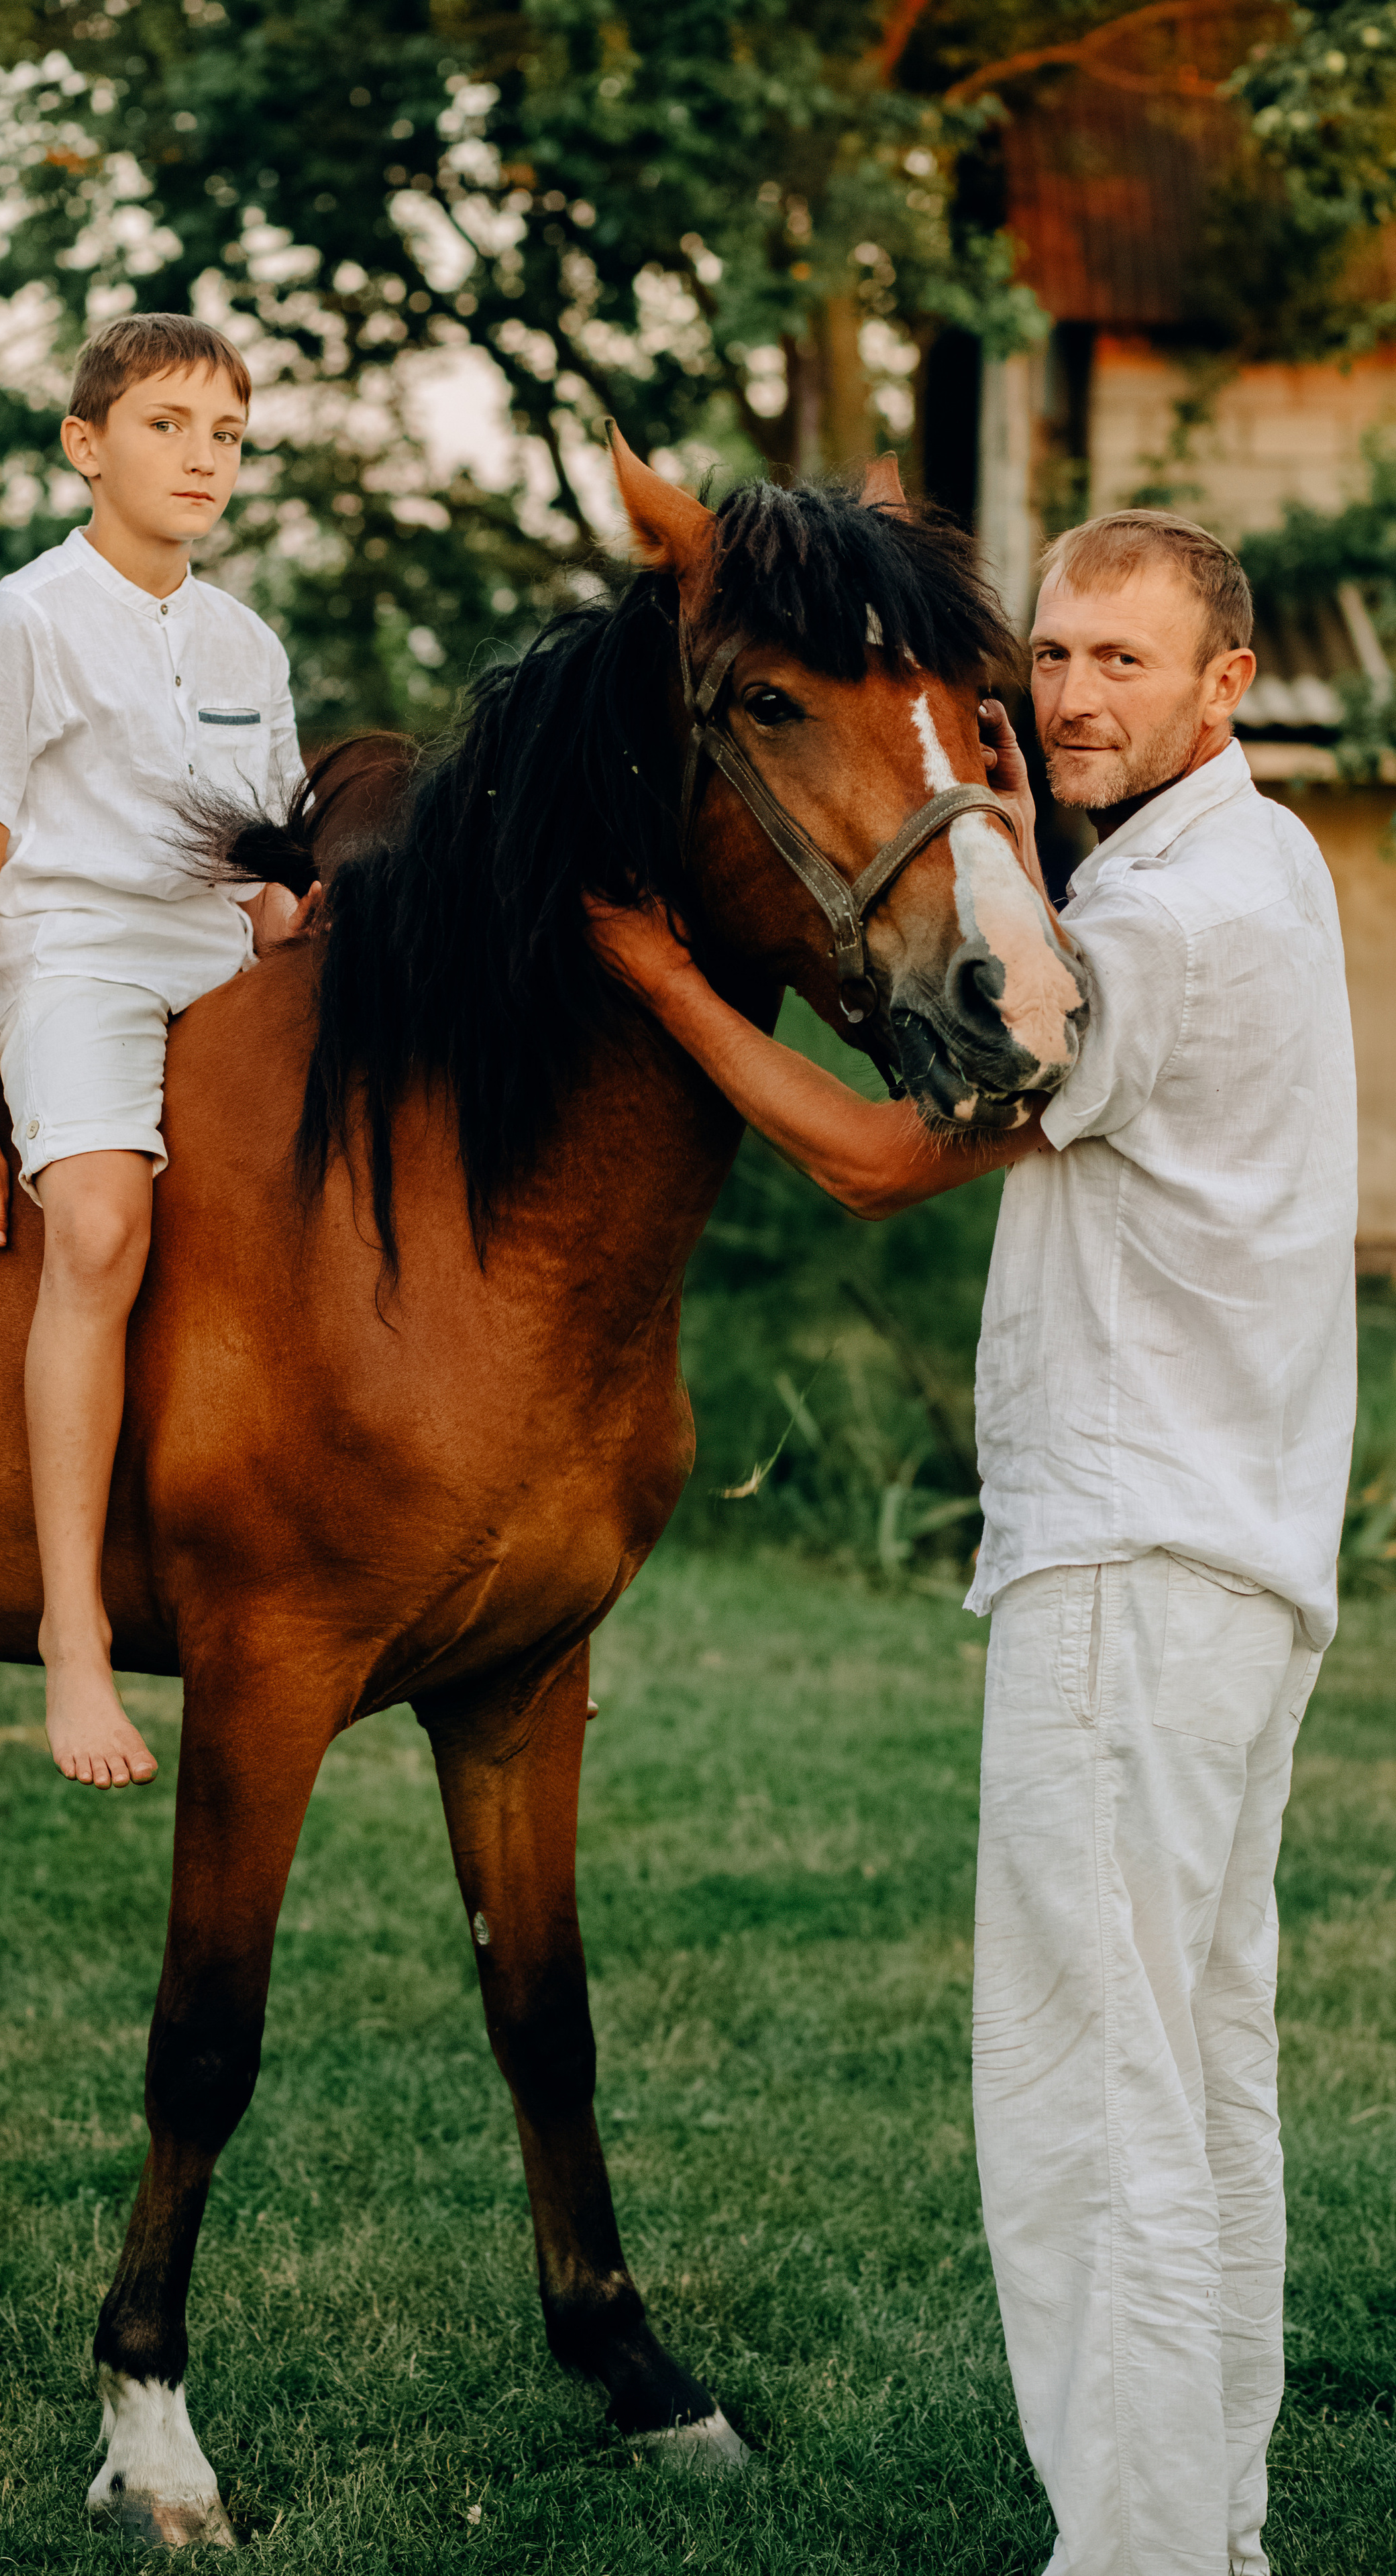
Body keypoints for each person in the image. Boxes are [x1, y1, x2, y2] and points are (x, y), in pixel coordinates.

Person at [588, 508, 1356, 2576]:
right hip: (1234, 1557)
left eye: (1129, 663)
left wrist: (658, 971)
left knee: (1090, 2108)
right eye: (1059, 660)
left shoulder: (1177, 924)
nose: (1076, 694)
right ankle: (1217, 2534)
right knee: (1198, 2082)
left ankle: (1132, 2554)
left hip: (1132, 1558)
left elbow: (866, 1151)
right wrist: (1012, 823)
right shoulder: (1246, 869)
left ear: (1226, 687)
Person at [0, 313, 314, 1792]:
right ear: (86, 445)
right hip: (70, 955)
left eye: (225, 434)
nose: (202, 456)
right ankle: (72, 1633)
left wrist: (321, 941)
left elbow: (269, 883)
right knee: (96, 1223)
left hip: (216, 953)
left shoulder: (245, 643)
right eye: (166, 424)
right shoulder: (19, 623)